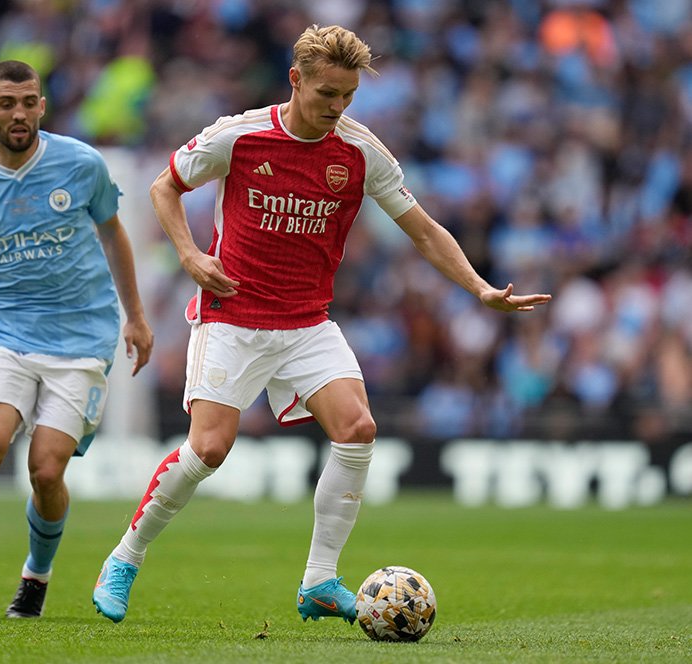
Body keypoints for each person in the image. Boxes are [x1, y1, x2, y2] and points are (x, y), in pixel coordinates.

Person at [92, 24, 552, 624]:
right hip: (234, 314)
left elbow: (423, 229)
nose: (336, 108)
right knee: (208, 449)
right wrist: (189, 254)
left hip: (307, 322)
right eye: (327, 93)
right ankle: (125, 558)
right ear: (296, 79)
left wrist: (481, 289)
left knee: (358, 428)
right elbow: (164, 187)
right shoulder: (241, 135)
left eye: (347, 97)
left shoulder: (360, 151)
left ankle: (318, 580)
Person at [0, 60, 154, 618]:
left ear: (42, 105)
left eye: (29, 102)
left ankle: (35, 579)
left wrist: (135, 317)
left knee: (46, 469)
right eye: (8, 103)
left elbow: (114, 234)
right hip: (7, 331)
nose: (19, 113)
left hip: (83, 337)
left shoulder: (81, 164)